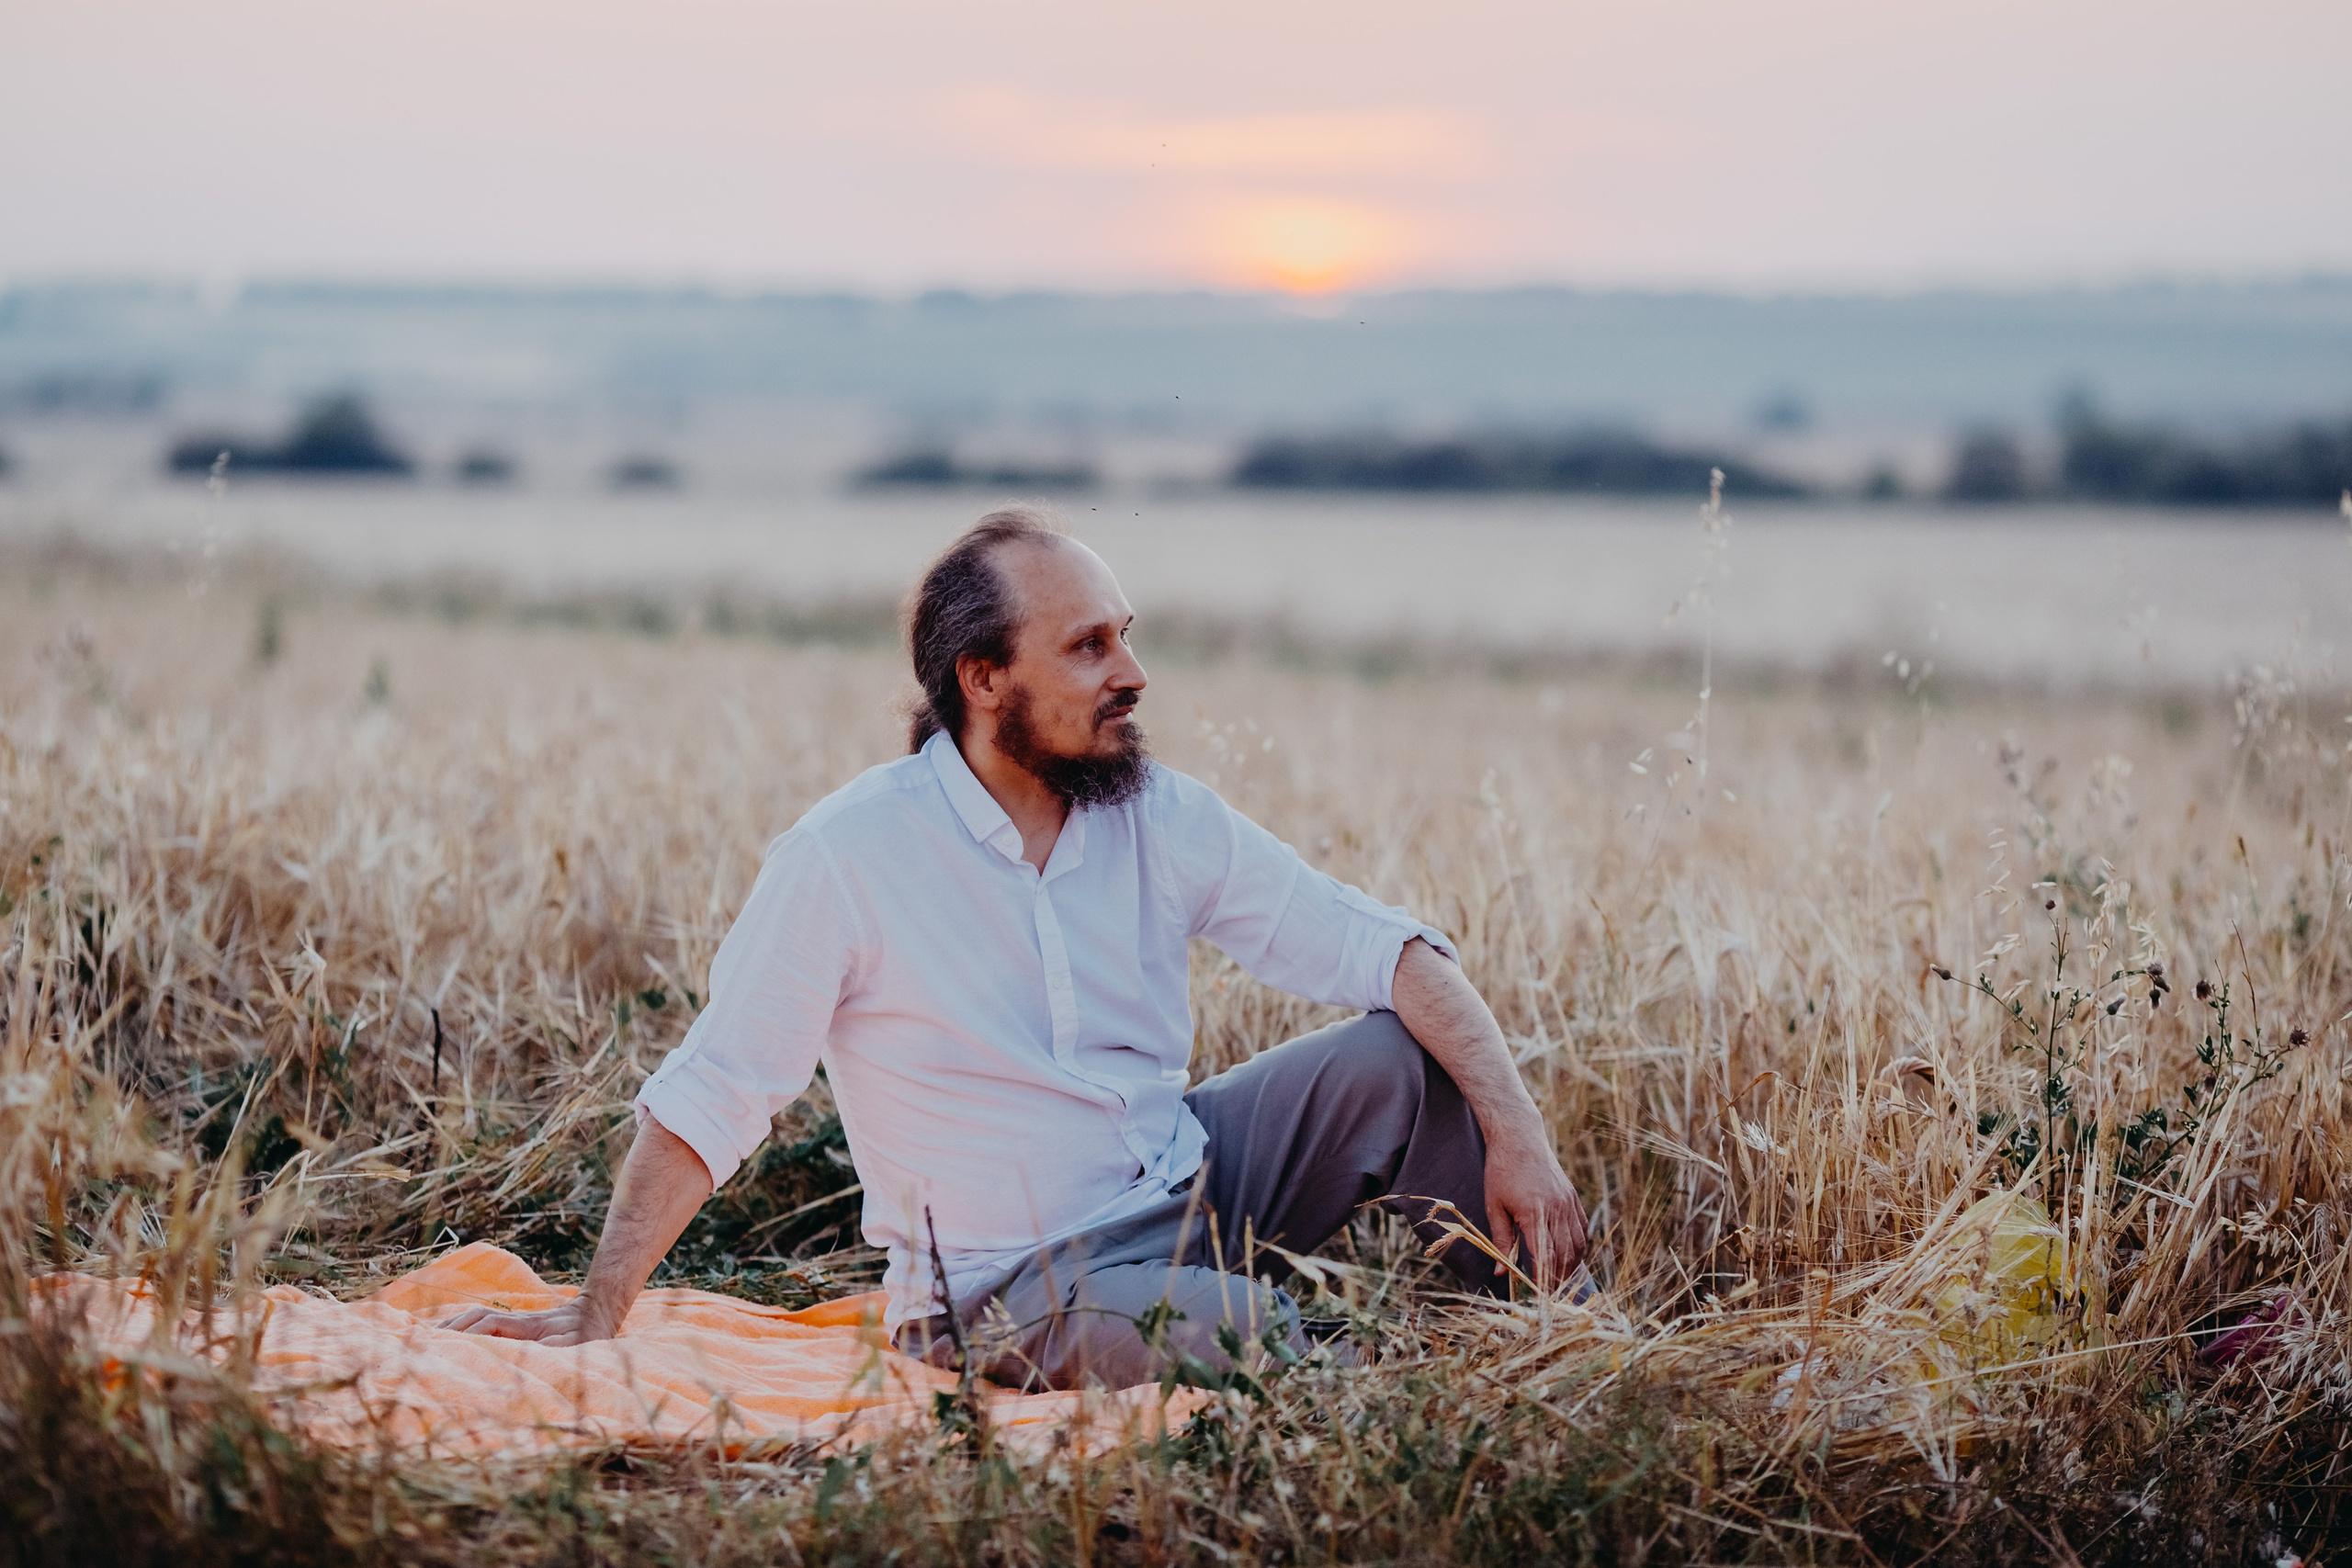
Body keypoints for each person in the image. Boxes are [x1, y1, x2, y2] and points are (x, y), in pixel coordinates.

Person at [446, 505, 1589, 1389]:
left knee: (1407, 1056)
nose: (1131, 674)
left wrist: (1519, 1135)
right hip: (1003, 1288)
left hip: (1188, 1183)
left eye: (1124, 639)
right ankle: (1372, 1401)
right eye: (1088, 647)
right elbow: (719, 1091)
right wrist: (598, 1308)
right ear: (983, 680)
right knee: (1251, 1335)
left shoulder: (1158, 816)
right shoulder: (848, 856)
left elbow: (1384, 949)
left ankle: (1544, 1350)